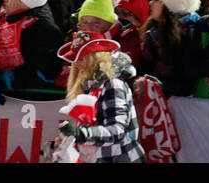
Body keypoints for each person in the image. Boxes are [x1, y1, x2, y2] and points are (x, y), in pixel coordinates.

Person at [56, 33, 145, 163]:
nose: (76, 64)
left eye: (81, 58)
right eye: (74, 59)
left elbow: (117, 131)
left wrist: (80, 134)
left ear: (96, 58)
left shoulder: (113, 85)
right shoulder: (90, 85)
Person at [0, 0, 63, 91]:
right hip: (6, 97)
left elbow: (48, 72)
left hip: (32, 101)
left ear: (25, 2)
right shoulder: (7, 26)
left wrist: (15, 78)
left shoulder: (45, 31)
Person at [142, 0, 202, 96]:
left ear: (170, 6)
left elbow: (187, 79)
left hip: (182, 104)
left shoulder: (189, 34)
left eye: (157, 0)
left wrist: (160, 88)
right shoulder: (153, 33)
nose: (150, 3)